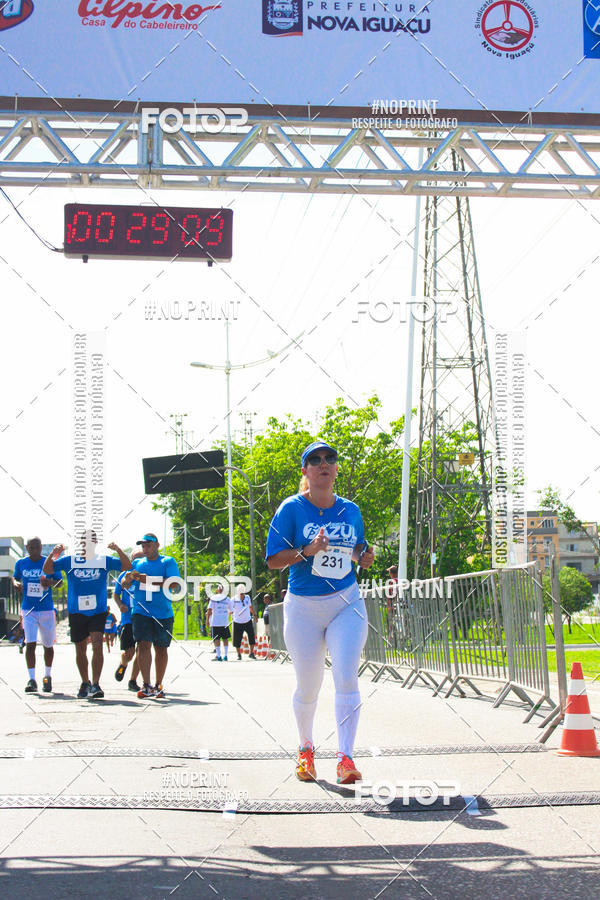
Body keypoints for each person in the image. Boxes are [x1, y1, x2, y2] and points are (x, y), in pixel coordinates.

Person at [266, 440, 374, 785]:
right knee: (309, 686)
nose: (323, 463)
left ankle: (346, 758)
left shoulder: (350, 510)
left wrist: (364, 556)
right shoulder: (291, 509)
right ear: (305, 471)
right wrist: (308, 549)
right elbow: (272, 561)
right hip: (304, 608)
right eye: (315, 460)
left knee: (346, 676)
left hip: (346, 602)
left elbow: (355, 549)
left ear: (336, 468)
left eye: (330, 459)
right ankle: (306, 749)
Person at [42, 532, 130, 699]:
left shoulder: (103, 560)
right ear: (80, 543)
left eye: (90, 540)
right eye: (84, 540)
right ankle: (85, 682)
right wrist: (54, 554)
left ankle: (96, 684)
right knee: (80, 648)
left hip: (98, 611)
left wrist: (118, 549)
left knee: (97, 644)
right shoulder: (70, 561)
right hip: (77, 611)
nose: (86, 543)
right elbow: (47, 569)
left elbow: (127, 566)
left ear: (95, 542)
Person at [128, 533, 180, 699]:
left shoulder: (168, 562)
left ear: (157, 545)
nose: (145, 549)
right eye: (143, 546)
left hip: (163, 612)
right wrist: (128, 580)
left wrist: (147, 579)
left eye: (148, 545)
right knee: (143, 645)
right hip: (141, 610)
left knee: (161, 648)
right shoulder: (137, 563)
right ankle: (146, 684)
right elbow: (126, 582)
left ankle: (158, 684)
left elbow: (173, 583)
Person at [13, 537, 63, 693]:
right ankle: (31, 679)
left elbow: (59, 582)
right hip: (28, 609)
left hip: (46, 609)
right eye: (31, 548)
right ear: (27, 548)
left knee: (48, 645)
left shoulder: (48, 563)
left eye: (37, 547)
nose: (34, 550)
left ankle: (47, 676)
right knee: (30, 643)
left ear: (41, 548)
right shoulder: (21, 563)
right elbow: (15, 577)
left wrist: (50, 583)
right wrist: (16, 584)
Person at [113, 568, 141, 692]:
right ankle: (123, 664)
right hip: (128, 619)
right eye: (135, 558)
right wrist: (120, 606)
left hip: (143, 617)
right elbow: (116, 594)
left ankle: (133, 680)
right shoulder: (124, 575)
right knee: (129, 652)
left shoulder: (147, 574)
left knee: (142, 650)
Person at [206, 584, 232, 661]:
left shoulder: (213, 598)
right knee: (225, 638)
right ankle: (225, 655)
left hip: (216, 622)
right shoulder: (227, 599)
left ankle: (219, 655)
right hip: (224, 622)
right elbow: (231, 610)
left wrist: (207, 620)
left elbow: (209, 610)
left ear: (217, 590)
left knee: (217, 639)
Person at [231, 585, 258, 660]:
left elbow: (250, 607)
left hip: (247, 621)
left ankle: (251, 653)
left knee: (251, 636)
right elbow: (229, 608)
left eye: (243, 593)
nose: (242, 595)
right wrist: (230, 612)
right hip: (238, 622)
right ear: (238, 593)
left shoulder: (247, 598)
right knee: (237, 639)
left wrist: (254, 614)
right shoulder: (233, 599)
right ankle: (239, 654)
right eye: (241, 593)